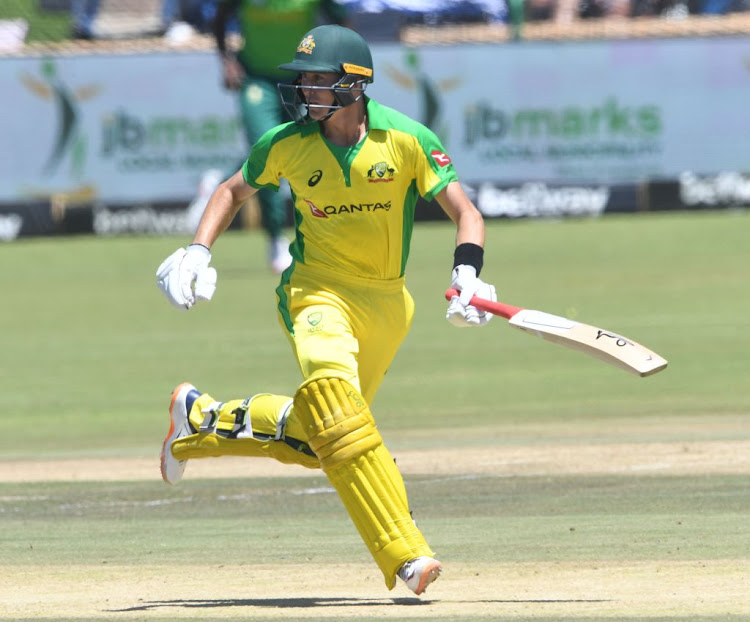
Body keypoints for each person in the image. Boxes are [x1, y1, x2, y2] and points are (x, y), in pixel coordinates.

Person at [155, 24, 497, 596]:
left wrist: (467, 274)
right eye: (303, 80)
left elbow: (466, 212)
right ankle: (406, 554)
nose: (304, 90)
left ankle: (201, 419)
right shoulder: (288, 142)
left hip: (388, 302)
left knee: (325, 438)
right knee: (341, 416)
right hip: (316, 293)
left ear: (354, 84)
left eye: (317, 80)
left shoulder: (407, 139)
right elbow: (232, 191)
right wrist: (197, 250)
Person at [197, 0, 349, 273]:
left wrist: (337, 67)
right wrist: (226, 60)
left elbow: (342, 23)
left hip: (304, 80)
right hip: (258, 80)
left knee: (314, 147)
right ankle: (276, 238)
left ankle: (219, 185)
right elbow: (219, 18)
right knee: (266, 148)